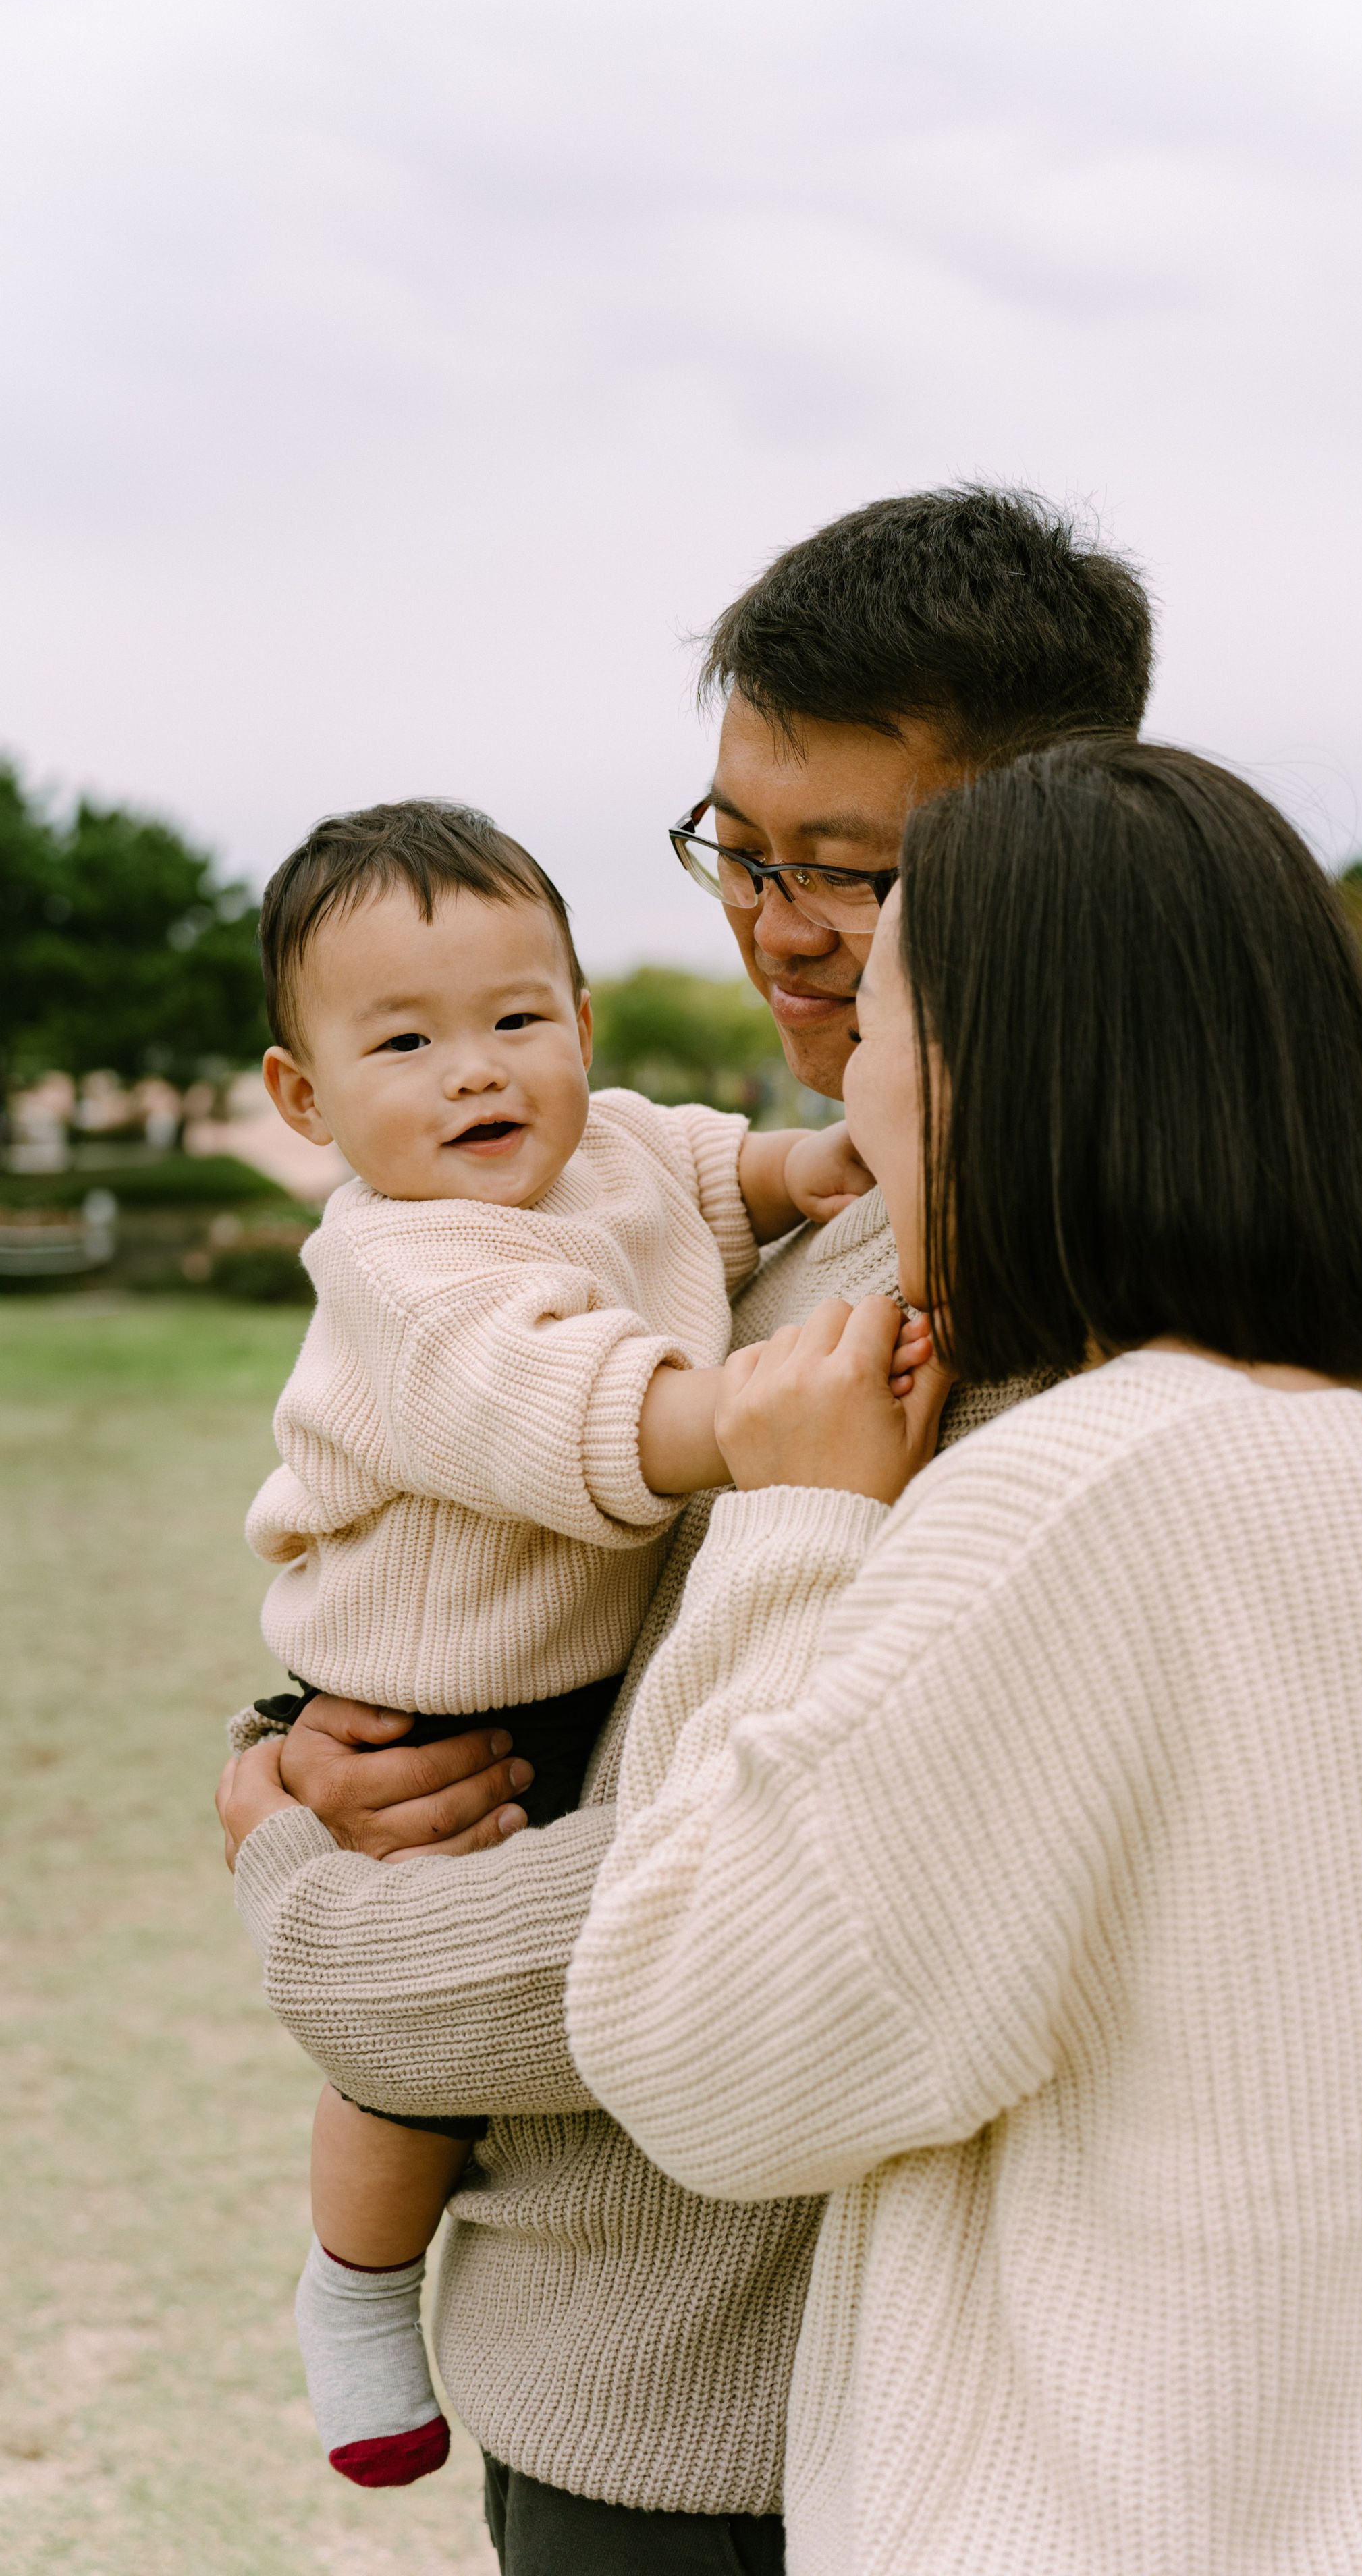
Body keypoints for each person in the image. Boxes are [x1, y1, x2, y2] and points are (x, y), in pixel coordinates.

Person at [217, 486, 1156, 2571]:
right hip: (605, 2336)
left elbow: (721, 1924)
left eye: (855, 871)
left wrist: (283, 1863)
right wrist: (295, 1743)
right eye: (743, 847)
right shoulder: (761, 1240)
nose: (778, 923)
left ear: (1047, 850)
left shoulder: (1027, 1320)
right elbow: (506, 1479)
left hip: (764, 2399)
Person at [562, 741, 1362, 2576]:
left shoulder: (1080, 1491)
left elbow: (695, 2052)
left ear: (986, 1071)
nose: (854, 1094)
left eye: (880, 1019)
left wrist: (799, 1517)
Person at [238, 795, 881, 2487]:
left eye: (519, 1019)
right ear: (305, 1098)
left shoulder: (609, 1147)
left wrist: (808, 1165)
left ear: (581, 1025)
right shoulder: (407, 1266)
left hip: (580, 1676)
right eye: (405, 1040)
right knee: (412, 2060)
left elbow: (704, 1177)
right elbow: (558, 1400)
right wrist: (747, 1422)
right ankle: (355, 2285)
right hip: (416, 1698)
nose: (478, 1072)